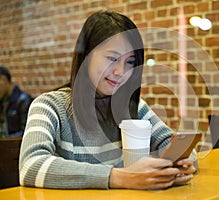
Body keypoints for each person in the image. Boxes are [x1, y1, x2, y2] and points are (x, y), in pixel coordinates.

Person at [19, 10, 198, 190]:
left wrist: (178, 165)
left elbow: (175, 146)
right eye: (112, 58)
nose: (120, 72)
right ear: (86, 57)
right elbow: (30, 166)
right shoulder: (49, 106)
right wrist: (121, 177)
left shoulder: (133, 107)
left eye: (130, 62)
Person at [0, 65, 32, 137]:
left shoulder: (23, 100)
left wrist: (5, 139)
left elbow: (26, 132)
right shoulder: (2, 100)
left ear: (3, 80)